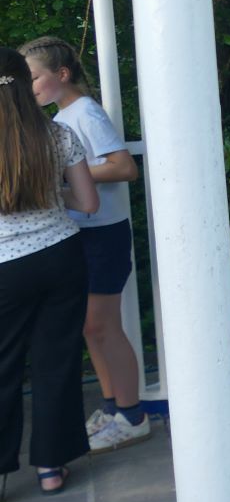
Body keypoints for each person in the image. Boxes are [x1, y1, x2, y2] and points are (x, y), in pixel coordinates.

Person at [22, 37, 148, 451]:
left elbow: (123, 167)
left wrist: (65, 175)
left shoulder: (86, 112)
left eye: (33, 77)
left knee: (101, 326)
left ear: (61, 75)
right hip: (81, 233)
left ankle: (133, 416)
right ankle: (113, 410)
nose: (28, 86)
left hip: (104, 234)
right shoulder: (61, 117)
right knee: (89, 328)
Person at [1, 47, 99, 495]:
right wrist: (54, 197)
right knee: (55, 360)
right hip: (61, 254)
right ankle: (50, 468)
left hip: (5, 268)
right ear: (25, 83)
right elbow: (88, 203)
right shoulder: (58, 134)